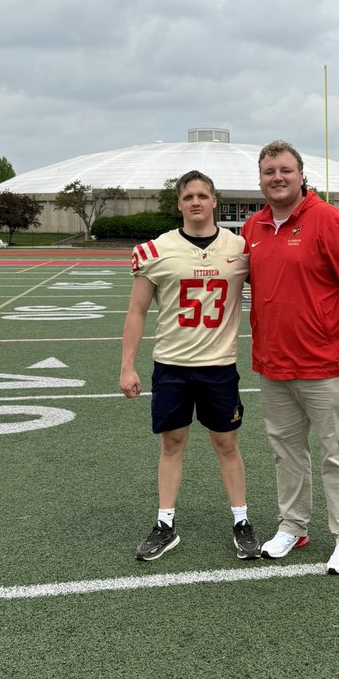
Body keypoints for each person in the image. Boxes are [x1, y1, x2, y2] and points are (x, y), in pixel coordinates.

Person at [242, 140, 339, 575]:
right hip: (274, 362)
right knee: (287, 452)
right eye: (268, 172)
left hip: (325, 363)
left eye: (284, 170)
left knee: (337, 452)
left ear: (301, 175)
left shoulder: (328, 219)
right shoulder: (253, 228)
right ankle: (293, 526)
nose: (276, 177)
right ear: (260, 179)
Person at [119, 170, 259, 563]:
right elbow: (136, 311)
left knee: (227, 444)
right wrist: (127, 366)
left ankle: (242, 521)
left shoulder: (243, 247)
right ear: (179, 204)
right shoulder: (155, 250)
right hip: (172, 365)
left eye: (203, 195)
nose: (196, 202)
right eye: (188, 197)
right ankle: (165, 524)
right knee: (171, 444)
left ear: (215, 201)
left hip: (219, 366)